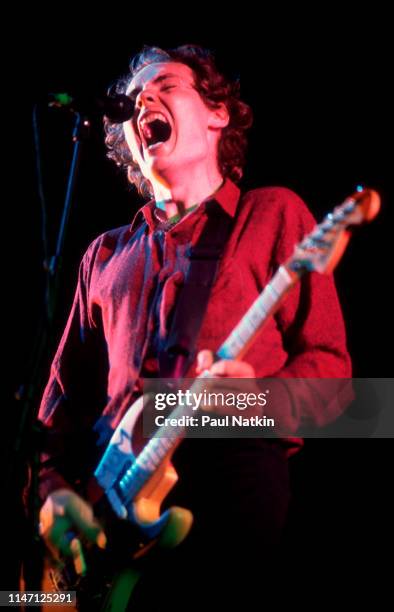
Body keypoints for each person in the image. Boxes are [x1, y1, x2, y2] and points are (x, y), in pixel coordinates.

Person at [37, 45, 352, 609]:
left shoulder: (272, 215)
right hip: (104, 523)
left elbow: (340, 385)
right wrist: (53, 492)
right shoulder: (103, 256)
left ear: (218, 113)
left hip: (228, 487)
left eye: (166, 85)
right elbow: (59, 410)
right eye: (132, 101)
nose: (143, 102)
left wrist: (249, 402)